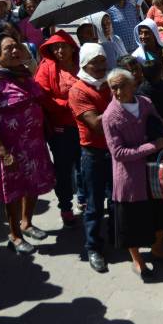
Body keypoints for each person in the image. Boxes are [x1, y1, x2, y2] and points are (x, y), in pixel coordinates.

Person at [0, 32, 56, 254]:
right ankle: (14, 234)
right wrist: (2, 151)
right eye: (8, 48)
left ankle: (27, 222)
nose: (14, 51)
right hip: (10, 149)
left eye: (17, 46)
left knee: (33, 184)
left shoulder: (24, 74)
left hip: (34, 144)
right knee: (13, 191)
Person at [101, 68, 163, 278]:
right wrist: (153, 145)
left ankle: (158, 249)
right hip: (130, 178)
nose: (117, 91)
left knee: (159, 214)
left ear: (133, 84)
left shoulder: (145, 103)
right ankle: (137, 259)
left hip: (153, 173)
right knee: (131, 223)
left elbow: (160, 126)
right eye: (113, 87)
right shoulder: (109, 116)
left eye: (121, 85)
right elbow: (118, 153)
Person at [68, 43, 113, 274]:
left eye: (102, 60)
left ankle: (117, 238)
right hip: (93, 153)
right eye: (94, 62)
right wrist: (120, 107)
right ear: (84, 63)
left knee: (116, 198)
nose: (99, 66)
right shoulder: (78, 90)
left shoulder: (108, 84)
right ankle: (93, 247)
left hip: (114, 150)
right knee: (94, 204)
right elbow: (95, 124)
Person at [35, 31, 82, 228]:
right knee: (63, 168)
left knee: (85, 166)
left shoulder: (83, 63)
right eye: (55, 47)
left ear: (73, 47)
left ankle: (84, 197)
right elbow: (43, 96)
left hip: (85, 125)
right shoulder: (47, 68)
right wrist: (68, 104)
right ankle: (65, 206)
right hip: (61, 127)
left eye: (63, 46)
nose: (60, 51)